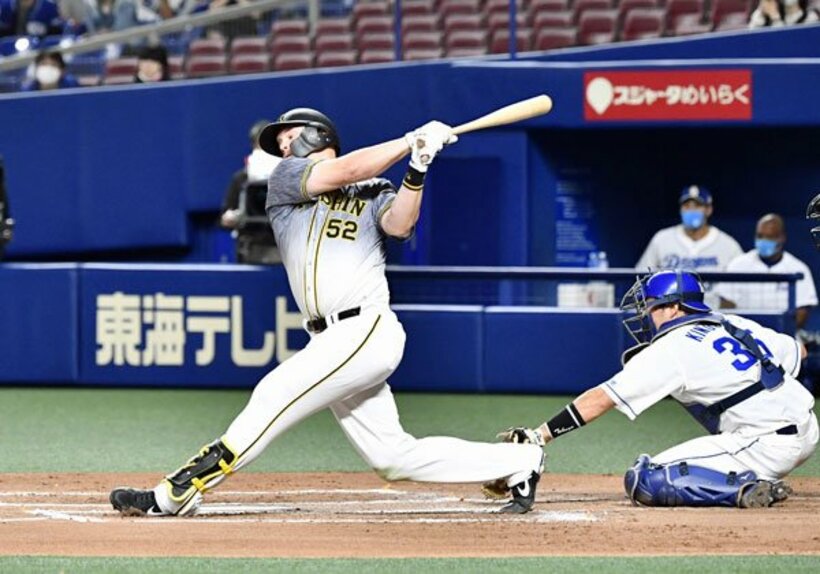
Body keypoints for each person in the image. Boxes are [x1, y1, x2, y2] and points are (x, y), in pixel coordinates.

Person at [109, 108, 545, 517]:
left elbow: (399, 225)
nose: (282, 146)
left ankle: (177, 493)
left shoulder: (375, 190)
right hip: (330, 338)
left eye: (289, 136)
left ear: (318, 135)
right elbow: (349, 170)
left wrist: (419, 165)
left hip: (366, 328)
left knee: (274, 394)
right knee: (392, 457)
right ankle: (518, 459)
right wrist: (410, 139)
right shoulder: (287, 180)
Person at [490, 270, 817, 508]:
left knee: (645, 479)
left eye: (652, 305)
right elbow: (799, 354)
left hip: (765, 444)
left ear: (674, 308)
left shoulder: (672, 346)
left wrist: (539, 435)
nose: (646, 313)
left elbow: (601, 398)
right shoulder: (732, 322)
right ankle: (757, 477)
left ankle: (745, 488)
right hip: (806, 428)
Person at [636, 185, 743, 308]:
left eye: (697, 206)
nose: (691, 211)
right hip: (670, 313)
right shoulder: (661, 239)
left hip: (713, 315)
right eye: (686, 206)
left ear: (708, 210)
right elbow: (642, 278)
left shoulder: (728, 245)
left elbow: (739, 290)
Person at [717, 214, 817, 330]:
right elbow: (726, 304)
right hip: (744, 335)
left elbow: (802, 310)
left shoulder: (798, 268)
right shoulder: (737, 265)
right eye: (760, 236)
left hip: (783, 336)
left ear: (782, 238)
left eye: (769, 237)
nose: (763, 241)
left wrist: (783, 334)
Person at [219, 119, 281, 264]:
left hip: (283, 246)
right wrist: (230, 219)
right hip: (252, 247)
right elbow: (224, 217)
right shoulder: (241, 179)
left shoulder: (290, 179)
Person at [0, 0, 64, 37]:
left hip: (39, 49)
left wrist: (45, 31)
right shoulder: (6, 6)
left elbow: (57, 32)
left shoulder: (49, 7)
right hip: (10, 48)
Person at [749, 0, 819, 28]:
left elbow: (785, 44)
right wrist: (761, 13)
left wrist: (775, 19)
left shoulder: (811, 17)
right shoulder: (766, 15)